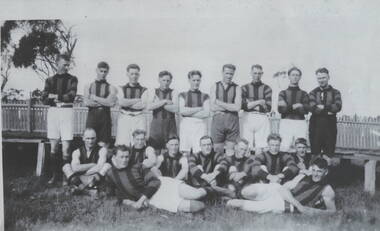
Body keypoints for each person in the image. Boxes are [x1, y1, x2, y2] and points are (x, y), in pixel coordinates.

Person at [104, 145, 206, 213]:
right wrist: (130, 202)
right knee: (198, 206)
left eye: (126, 157)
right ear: (114, 157)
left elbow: (155, 181)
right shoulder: (110, 174)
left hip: (163, 186)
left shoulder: (137, 166)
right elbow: (113, 195)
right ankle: (209, 199)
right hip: (154, 199)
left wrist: (140, 201)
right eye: (121, 157)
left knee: (197, 194)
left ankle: (212, 190)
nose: (125, 160)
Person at [227, 158, 336, 214]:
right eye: (314, 170)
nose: (316, 174)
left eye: (319, 172)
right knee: (246, 192)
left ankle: (227, 198)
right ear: (311, 168)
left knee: (233, 204)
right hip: (279, 191)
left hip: (283, 204)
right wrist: (299, 205)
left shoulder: (327, 190)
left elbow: (332, 213)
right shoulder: (305, 175)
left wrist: (312, 210)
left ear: (325, 172)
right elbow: (284, 188)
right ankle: (233, 192)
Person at [41, 54, 78, 185]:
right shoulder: (49, 80)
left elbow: (71, 96)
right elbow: (44, 98)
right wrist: (59, 97)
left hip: (67, 111)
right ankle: (54, 175)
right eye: (64, 64)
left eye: (68, 64)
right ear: (57, 63)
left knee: (66, 148)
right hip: (53, 112)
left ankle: (65, 176)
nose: (67, 67)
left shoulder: (73, 79)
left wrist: (55, 96)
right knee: (54, 147)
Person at [309, 68, 342, 164]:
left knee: (328, 155)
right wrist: (328, 110)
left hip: (330, 125)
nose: (321, 80)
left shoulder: (336, 92)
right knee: (315, 154)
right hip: (315, 125)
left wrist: (322, 107)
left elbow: (338, 106)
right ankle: (313, 177)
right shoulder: (313, 92)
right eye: (319, 78)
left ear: (328, 77)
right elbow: (312, 108)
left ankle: (327, 177)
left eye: (323, 77)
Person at [84, 61, 117, 147]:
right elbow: (86, 102)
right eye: (101, 71)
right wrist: (104, 102)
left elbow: (111, 103)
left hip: (105, 117)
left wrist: (94, 97)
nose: (103, 73)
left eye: (105, 71)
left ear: (108, 72)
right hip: (92, 116)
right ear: (96, 70)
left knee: (103, 145)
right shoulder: (89, 85)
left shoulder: (111, 87)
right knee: (89, 143)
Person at [210, 64, 242, 154]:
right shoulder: (215, 86)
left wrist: (219, 103)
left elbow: (237, 107)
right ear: (222, 72)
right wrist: (231, 106)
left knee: (230, 151)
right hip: (218, 122)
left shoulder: (237, 88)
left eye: (231, 74)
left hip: (232, 122)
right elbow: (212, 107)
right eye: (227, 73)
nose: (229, 76)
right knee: (217, 150)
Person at [241, 64, 272, 154]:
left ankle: (259, 167)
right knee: (246, 146)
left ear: (262, 74)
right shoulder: (244, 88)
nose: (257, 75)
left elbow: (268, 108)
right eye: (255, 73)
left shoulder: (267, 88)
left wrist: (250, 103)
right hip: (247, 117)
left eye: (259, 73)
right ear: (251, 73)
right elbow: (243, 106)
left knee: (261, 147)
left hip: (262, 118)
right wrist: (259, 102)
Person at [115, 64, 148, 146]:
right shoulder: (121, 88)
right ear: (127, 74)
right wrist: (136, 100)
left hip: (138, 117)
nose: (134, 76)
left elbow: (142, 105)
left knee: (139, 143)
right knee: (123, 143)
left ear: (139, 75)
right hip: (124, 117)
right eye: (132, 74)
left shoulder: (144, 89)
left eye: (136, 74)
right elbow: (121, 102)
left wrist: (127, 103)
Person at [278, 67, 309, 152]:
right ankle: (284, 165)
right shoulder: (283, 93)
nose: (295, 77)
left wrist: (288, 106)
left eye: (297, 75)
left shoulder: (304, 93)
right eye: (293, 75)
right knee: (283, 147)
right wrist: (297, 105)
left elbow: (306, 110)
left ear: (300, 77)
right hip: (286, 122)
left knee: (301, 148)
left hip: (300, 123)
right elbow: (281, 110)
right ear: (289, 76)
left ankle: (299, 165)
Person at [179, 70, 210, 155]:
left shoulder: (205, 96)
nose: (196, 82)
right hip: (186, 125)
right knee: (185, 153)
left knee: (199, 152)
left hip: (200, 126)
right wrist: (199, 108)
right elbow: (182, 111)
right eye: (194, 80)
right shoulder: (182, 95)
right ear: (189, 80)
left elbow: (206, 113)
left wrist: (188, 112)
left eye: (198, 80)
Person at [147, 70, 179, 153]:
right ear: (159, 80)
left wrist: (158, 103)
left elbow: (175, 109)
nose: (166, 83)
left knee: (169, 152)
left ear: (171, 81)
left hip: (170, 125)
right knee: (154, 152)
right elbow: (149, 106)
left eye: (168, 80)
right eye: (163, 80)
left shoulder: (174, 92)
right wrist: (164, 101)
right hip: (156, 125)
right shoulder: (154, 91)